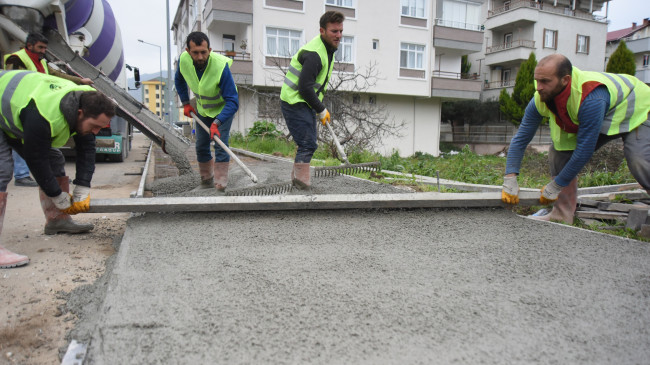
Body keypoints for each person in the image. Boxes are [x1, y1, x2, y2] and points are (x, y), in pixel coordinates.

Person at [501, 54, 650, 223]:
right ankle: (561, 216)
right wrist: (510, 178)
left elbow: (584, 149)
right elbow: (521, 138)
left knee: (639, 159)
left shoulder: (591, 97)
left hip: (637, 108)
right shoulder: (541, 97)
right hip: (603, 111)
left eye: (545, 81)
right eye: (537, 80)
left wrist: (557, 185)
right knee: (559, 153)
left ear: (565, 80)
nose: (539, 87)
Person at [0, 70, 115, 269]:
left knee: (55, 159)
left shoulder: (89, 101)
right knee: (2, 168)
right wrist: (57, 195)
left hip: (18, 110)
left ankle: (57, 220)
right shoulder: (45, 115)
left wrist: (82, 187)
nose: (96, 132)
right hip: (9, 105)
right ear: (80, 114)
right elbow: (36, 159)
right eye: (95, 126)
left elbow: (87, 148)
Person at [280, 11, 344, 189]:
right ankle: (300, 185)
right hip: (294, 101)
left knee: (307, 143)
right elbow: (305, 88)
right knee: (308, 143)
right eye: (334, 31)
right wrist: (321, 109)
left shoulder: (328, 49)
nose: (338, 35)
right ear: (322, 31)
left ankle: (297, 181)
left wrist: (317, 106)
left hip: (304, 101)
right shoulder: (315, 53)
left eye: (340, 31)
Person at [175, 31, 239, 191]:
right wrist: (185, 102)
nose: (200, 57)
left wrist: (217, 123)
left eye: (203, 52)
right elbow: (179, 80)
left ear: (209, 50)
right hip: (203, 110)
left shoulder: (220, 67)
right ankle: (206, 180)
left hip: (223, 110)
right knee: (201, 145)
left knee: (220, 144)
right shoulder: (184, 60)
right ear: (187, 51)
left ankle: (221, 183)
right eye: (195, 53)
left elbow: (233, 101)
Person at [4, 32, 93, 85]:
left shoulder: (41, 61)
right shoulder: (16, 59)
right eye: (40, 47)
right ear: (29, 46)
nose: (43, 51)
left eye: (45, 48)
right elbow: (11, 84)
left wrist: (80, 81)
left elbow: (57, 75)